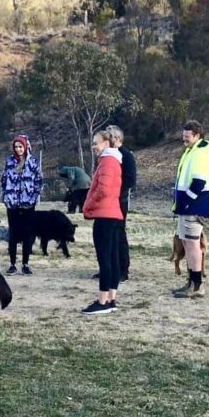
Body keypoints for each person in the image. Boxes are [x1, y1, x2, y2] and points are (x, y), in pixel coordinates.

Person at [172, 120, 209, 299]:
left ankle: (197, 285)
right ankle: (192, 281)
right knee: (186, 243)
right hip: (186, 206)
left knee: (192, 245)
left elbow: (199, 182)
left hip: (194, 207)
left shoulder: (200, 153)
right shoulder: (192, 151)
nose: (184, 140)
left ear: (197, 136)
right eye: (183, 137)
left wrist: (186, 202)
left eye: (187, 137)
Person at [82, 129, 123, 315]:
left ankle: (102, 301)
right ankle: (111, 298)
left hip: (105, 217)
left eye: (96, 143)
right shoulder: (115, 161)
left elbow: (103, 190)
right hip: (114, 215)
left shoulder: (107, 162)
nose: (93, 147)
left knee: (105, 259)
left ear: (106, 143)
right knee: (113, 259)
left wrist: (88, 204)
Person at [1, 134, 43, 275]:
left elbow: (38, 180)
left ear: (25, 147)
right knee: (12, 235)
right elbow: (4, 179)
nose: (18, 149)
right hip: (12, 205)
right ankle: (12, 264)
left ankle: (25, 264)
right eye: (16, 147)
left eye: (20, 146)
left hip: (27, 205)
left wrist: (33, 197)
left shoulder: (32, 162)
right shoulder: (9, 162)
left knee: (27, 235)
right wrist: (6, 196)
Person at [107, 125, 136, 282]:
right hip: (107, 201)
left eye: (109, 137)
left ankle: (122, 270)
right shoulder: (108, 155)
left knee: (118, 234)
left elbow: (130, 179)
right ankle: (108, 268)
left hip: (119, 201)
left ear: (117, 139)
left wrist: (115, 190)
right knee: (108, 235)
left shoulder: (126, 155)